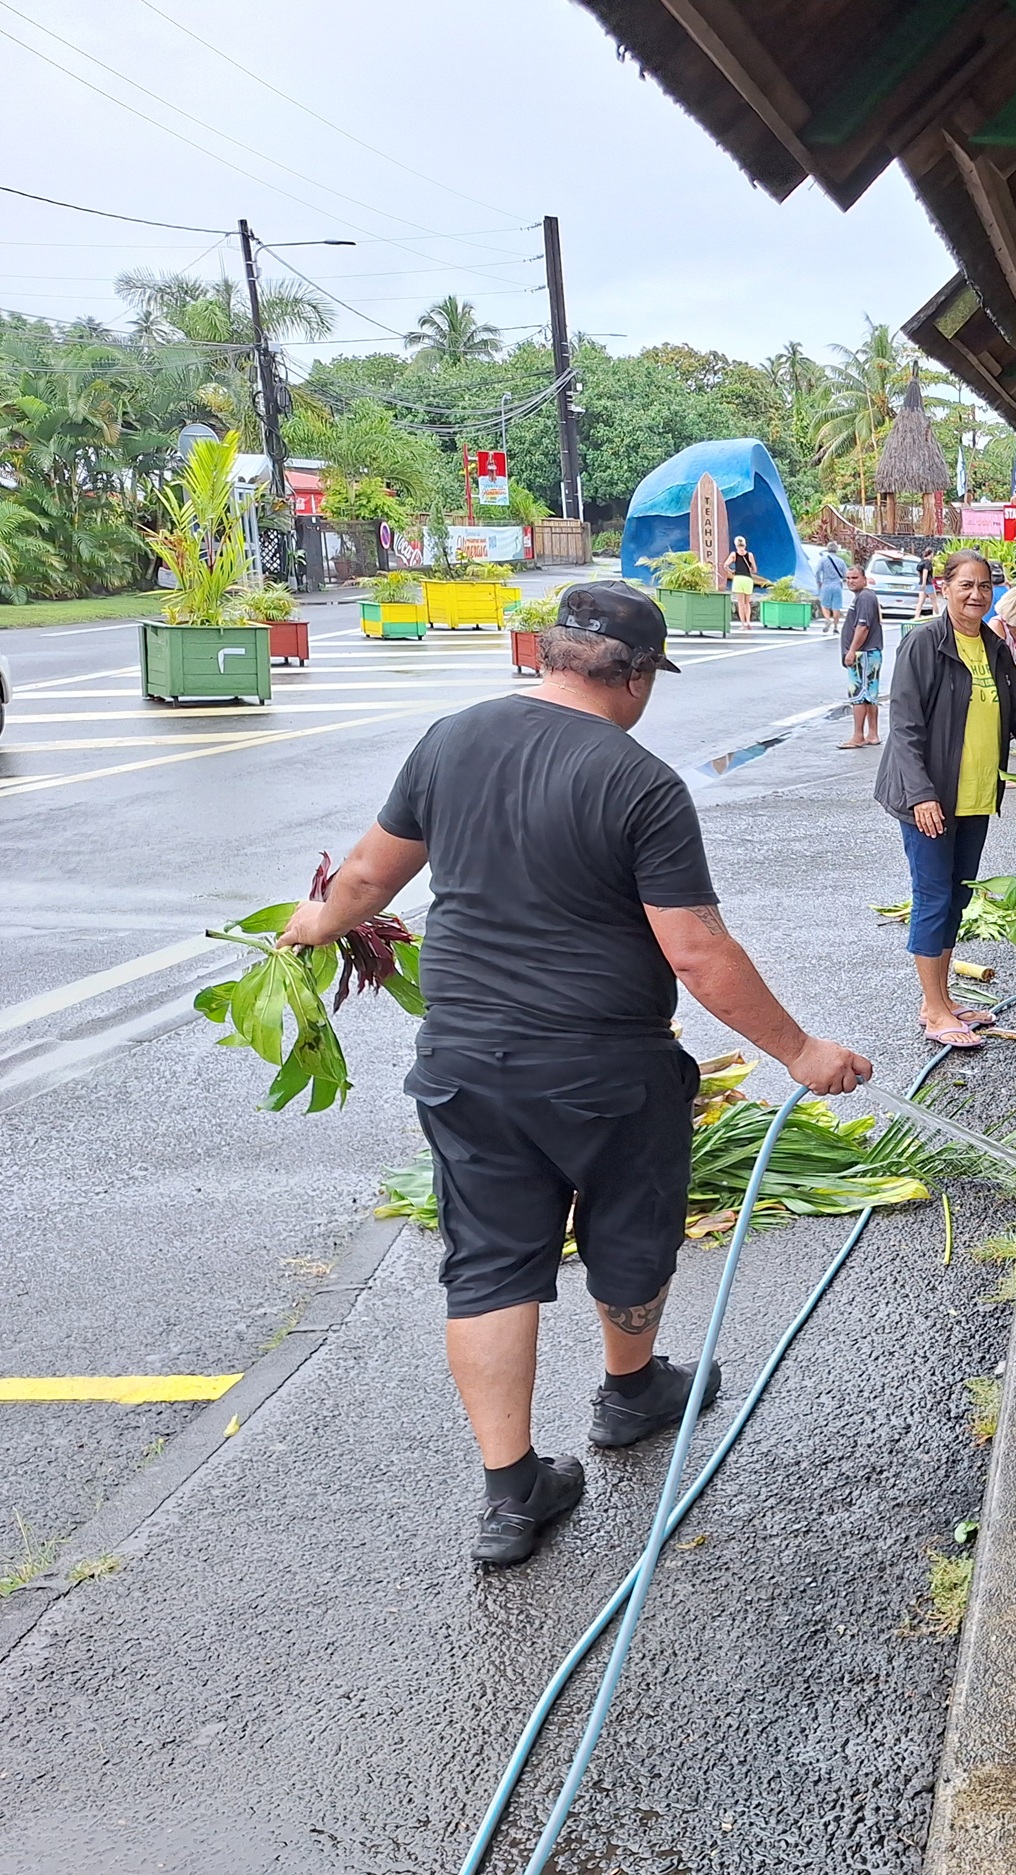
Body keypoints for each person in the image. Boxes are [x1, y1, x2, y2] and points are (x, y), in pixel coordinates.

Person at [278, 581, 873, 1567]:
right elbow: (696, 952)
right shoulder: (638, 782)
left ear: (549, 653)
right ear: (634, 677)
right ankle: (629, 1393)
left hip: (467, 1060)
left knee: (488, 1264)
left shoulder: (450, 740)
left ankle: (512, 1494)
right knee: (629, 1233)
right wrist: (801, 1051)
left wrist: (315, 924)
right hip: (604, 1066)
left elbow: (370, 878)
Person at [875, 550, 1016, 1049]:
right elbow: (905, 726)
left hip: (976, 796)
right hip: (929, 798)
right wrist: (921, 794)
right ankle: (934, 1009)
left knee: (957, 897)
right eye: (966, 585)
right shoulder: (924, 643)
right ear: (945, 588)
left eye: (984, 586)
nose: (976, 594)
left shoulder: (994, 648)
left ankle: (939, 1000)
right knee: (933, 896)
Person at [837, 561, 884, 749]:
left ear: (864, 579)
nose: (850, 581)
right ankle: (872, 734)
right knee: (870, 695)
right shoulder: (866, 597)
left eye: (855, 578)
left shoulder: (864, 598)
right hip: (870, 653)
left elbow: (863, 627)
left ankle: (858, 736)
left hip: (863, 654)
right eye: (848, 578)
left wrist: (851, 651)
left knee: (859, 695)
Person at [726, 536, 760, 625]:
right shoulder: (750, 555)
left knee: (740, 603)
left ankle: (743, 623)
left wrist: (731, 571)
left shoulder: (734, 554)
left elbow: (725, 565)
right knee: (747, 602)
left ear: (736, 545)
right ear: (745, 545)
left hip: (738, 579)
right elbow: (755, 570)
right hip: (748, 579)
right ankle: (748, 621)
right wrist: (749, 570)